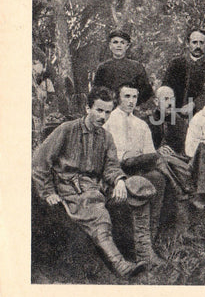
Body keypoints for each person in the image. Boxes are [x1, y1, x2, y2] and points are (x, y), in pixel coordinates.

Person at [32, 87, 149, 278]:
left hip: (93, 188)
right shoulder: (67, 130)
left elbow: (111, 167)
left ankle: (135, 255)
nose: (103, 116)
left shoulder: (106, 137)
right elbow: (39, 161)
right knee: (97, 211)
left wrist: (119, 180)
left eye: (108, 112)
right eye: (99, 110)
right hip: (68, 188)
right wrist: (47, 192)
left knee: (124, 201)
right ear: (87, 108)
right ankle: (120, 265)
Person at [103, 83, 168, 253]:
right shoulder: (108, 120)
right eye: (127, 96)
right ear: (118, 98)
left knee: (158, 179)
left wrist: (141, 158)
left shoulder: (141, 124)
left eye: (134, 97)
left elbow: (149, 153)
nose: (131, 101)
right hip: (115, 170)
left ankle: (149, 242)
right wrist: (124, 155)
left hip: (138, 168)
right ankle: (128, 245)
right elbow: (103, 152)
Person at [162, 29, 205, 115]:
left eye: (201, 43)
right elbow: (165, 88)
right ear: (187, 44)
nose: (198, 46)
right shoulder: (175, 64)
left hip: (201, 116)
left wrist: (194, 104)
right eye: (194, 42)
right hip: (174, 115)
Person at [93, 30, 154, 105]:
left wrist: (133, 104)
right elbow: (96, 92)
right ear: (110, 45)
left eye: (122, 42)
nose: (119, 45)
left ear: (127, 46)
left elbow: (146, 92)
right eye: (115, 42)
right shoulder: (103, 67)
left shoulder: (137, 67)